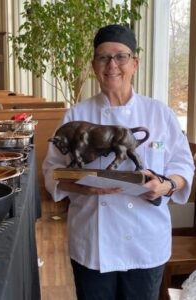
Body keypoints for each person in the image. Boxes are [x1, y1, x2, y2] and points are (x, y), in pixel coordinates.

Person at [42, 24, 195, 300]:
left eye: (120, 57)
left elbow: (184, 166)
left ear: (134, 63)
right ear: (93, 65)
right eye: (103, 57)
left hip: (146, 243)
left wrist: (167, 185)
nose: (112, 65)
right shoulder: (76, 115)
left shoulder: (160, 114)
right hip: (93, 243)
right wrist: (80, 187)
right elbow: (51, 172)